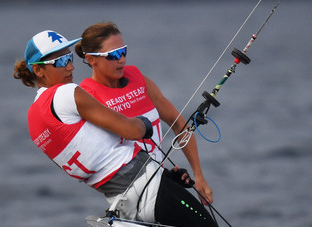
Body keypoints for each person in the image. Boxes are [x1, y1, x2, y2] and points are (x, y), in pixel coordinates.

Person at [13, 30, 231, 227]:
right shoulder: (67, 93)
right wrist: (143, 124)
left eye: (69, 58)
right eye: (60, 61)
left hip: (124, 204)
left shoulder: (33, 119)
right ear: (38, 70)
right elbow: (131, 131)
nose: (70, 66)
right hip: (152, 190)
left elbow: (97, 156)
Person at [73, 22, 214, 205]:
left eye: (123, 51)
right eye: (114, 55)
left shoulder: (137, 78)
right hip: (129, 196)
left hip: (160, 184)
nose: (122, 59)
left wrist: (198, 176)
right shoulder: (86, 97)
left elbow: (177, 123)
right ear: (91, 59)